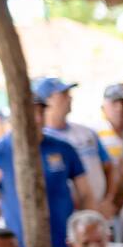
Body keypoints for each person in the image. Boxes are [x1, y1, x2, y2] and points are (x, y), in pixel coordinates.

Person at [0, 94, 89, 247]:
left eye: (41, 112)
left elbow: (85, 193)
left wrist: (85, 234)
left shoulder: (63, 148)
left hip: (66, 245)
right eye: (31, 113)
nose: (38, 119)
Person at [37, 77, 112, 209]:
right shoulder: (42, 142)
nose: (69, 98)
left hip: (99, 208)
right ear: (47, 101)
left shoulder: (87, 133)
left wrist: (108, 199)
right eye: (63, 95)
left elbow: (108, 166)